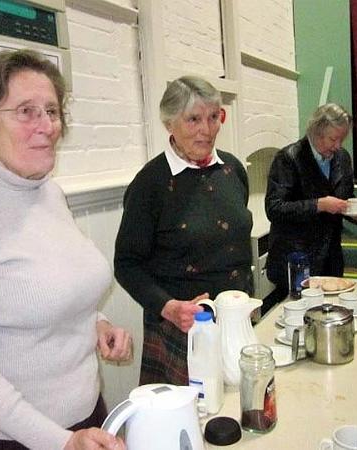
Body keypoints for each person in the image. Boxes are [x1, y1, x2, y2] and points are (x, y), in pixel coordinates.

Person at [0, 49, 131, 450]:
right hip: (3, 438)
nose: (46, 125)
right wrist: (60, 442)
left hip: (85, 420)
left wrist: (95, 323)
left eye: (52, 110)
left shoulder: (49, 193)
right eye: (27, 111)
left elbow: (53, 286)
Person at [114, 76, 253, 386]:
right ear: (169, 124)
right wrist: (168, 307)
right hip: (181, 331)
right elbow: (126, 264)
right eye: (193, 119)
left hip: (235, 320)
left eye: (213, 117)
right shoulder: (151, 183)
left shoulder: (232, 170)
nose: (206, 129)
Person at [265, 103, 357, 304]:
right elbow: (274, 208)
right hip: (296, 259)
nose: (338, 146)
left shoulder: (343, 158)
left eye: (342, 139)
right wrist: (318, 205)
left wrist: (355, 214)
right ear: (316, 132)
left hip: (331, 257)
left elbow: (346, 198)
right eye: (333, 139)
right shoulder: (289, 158)